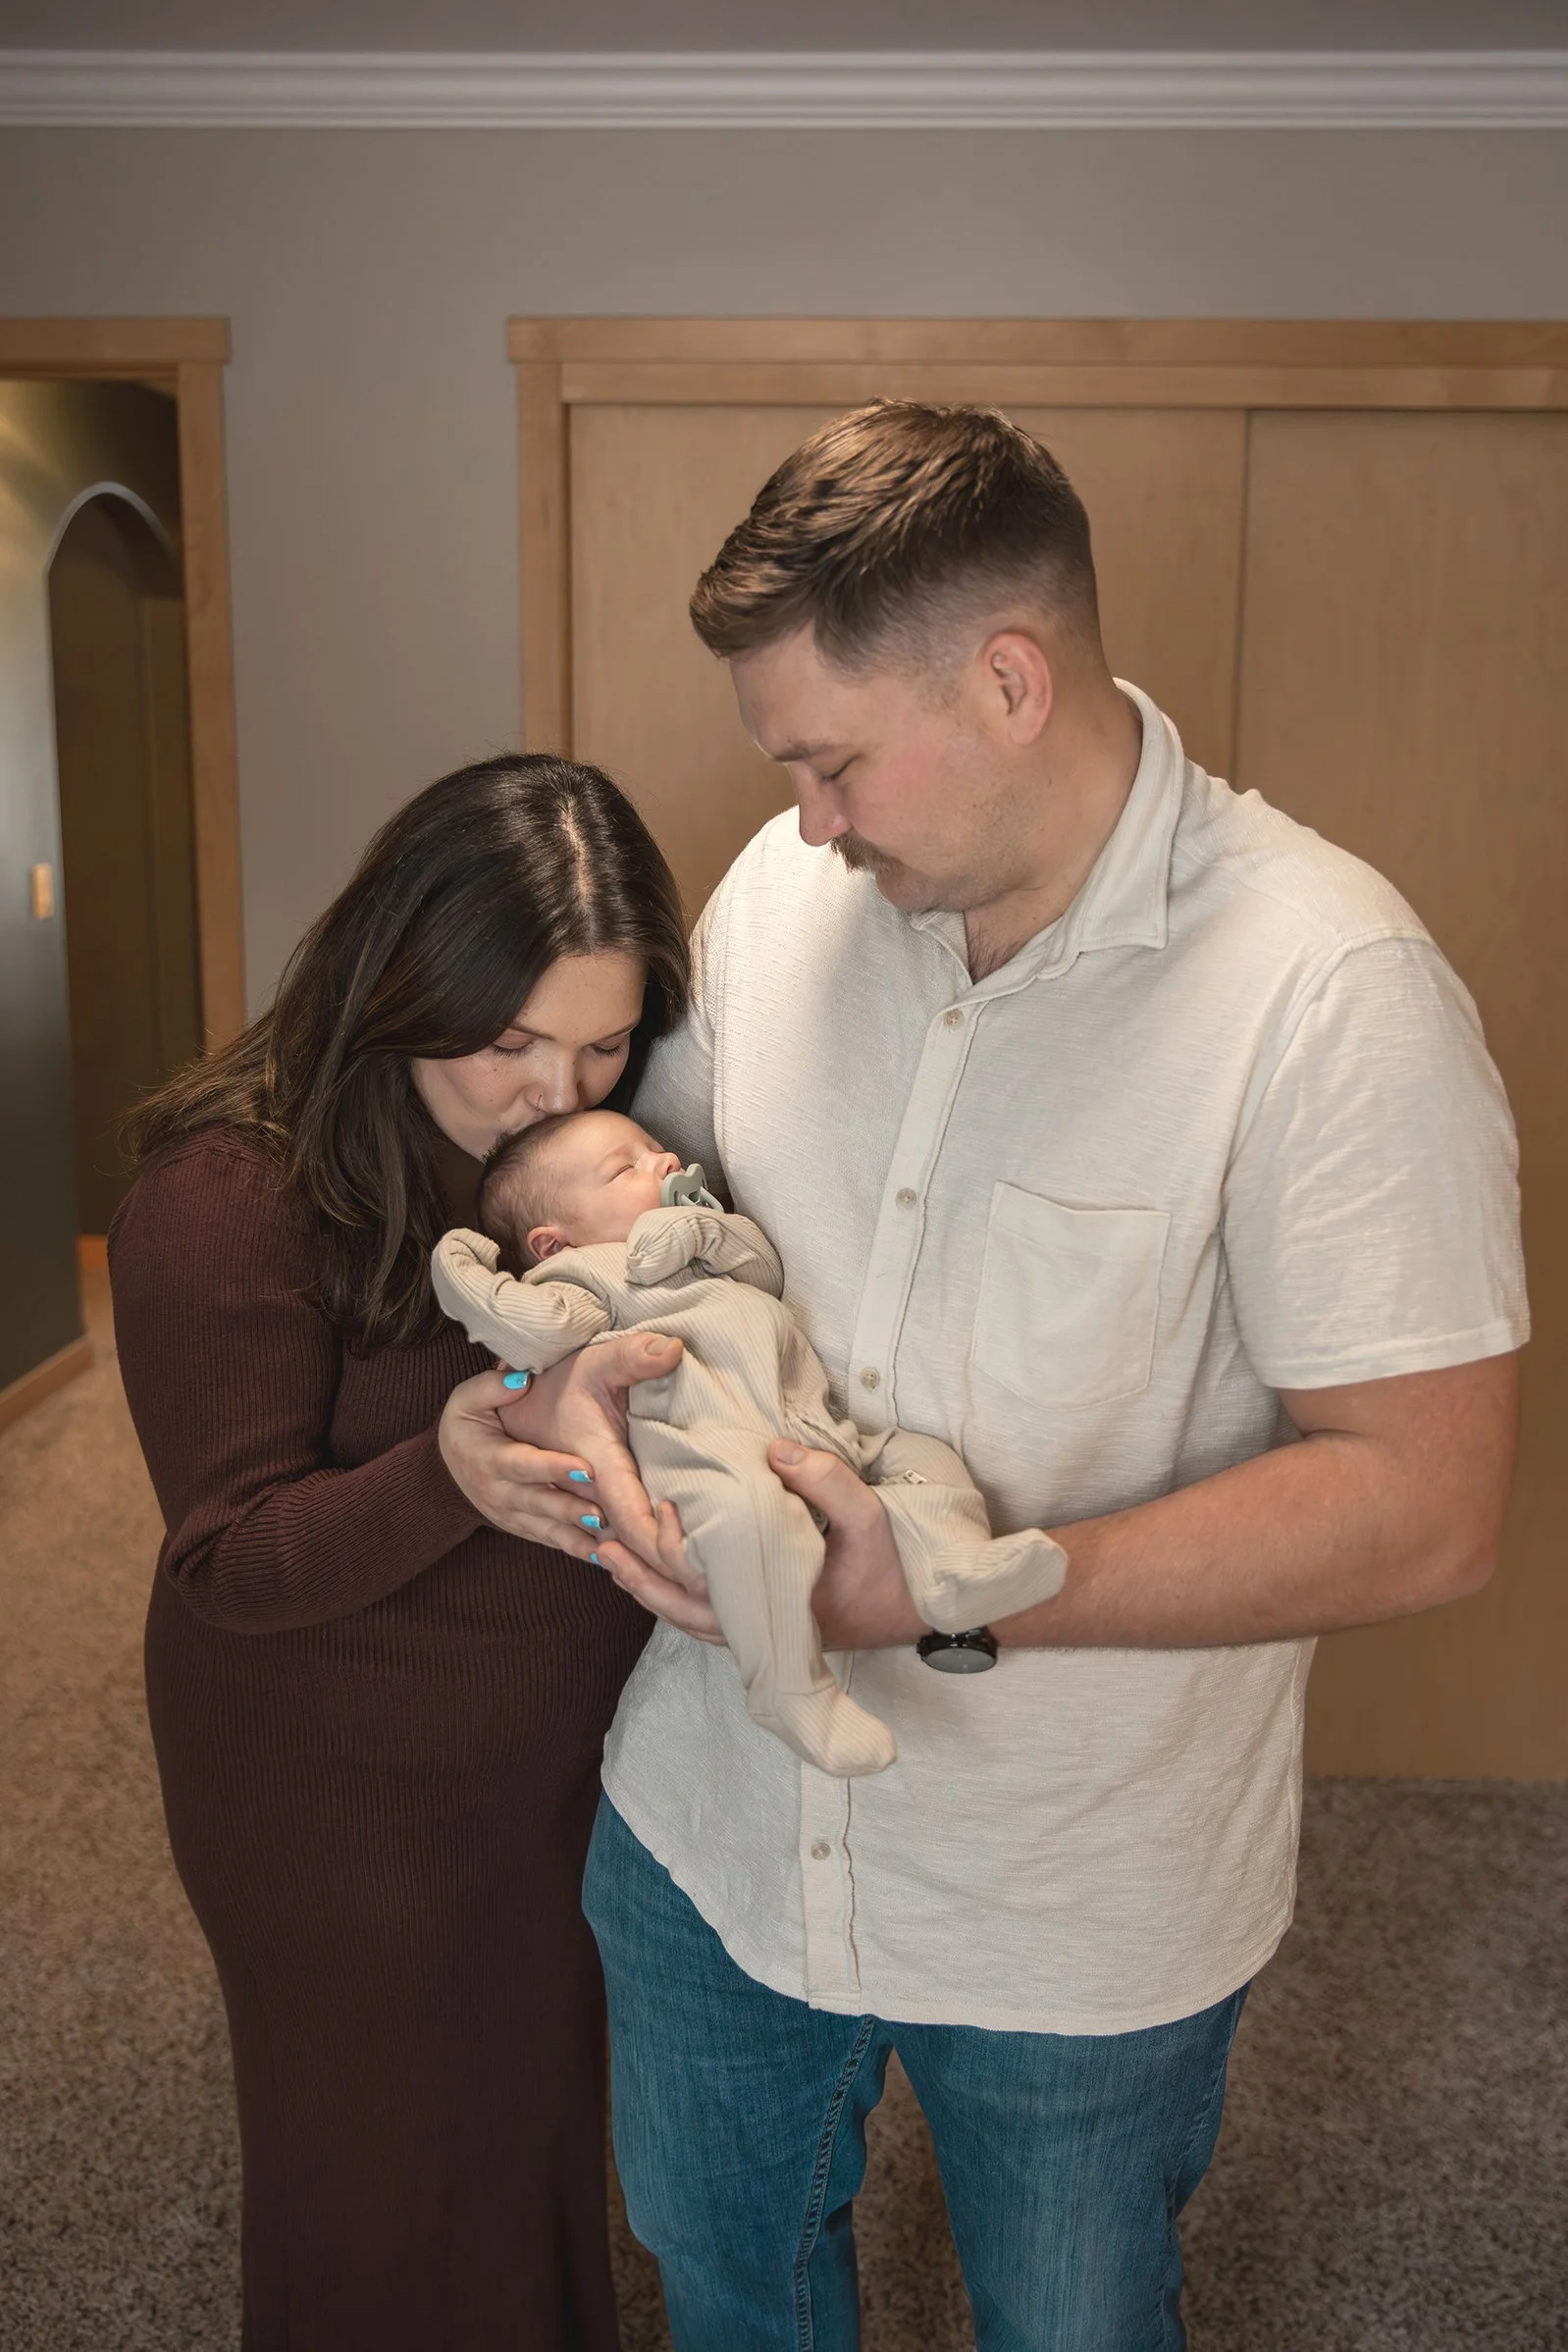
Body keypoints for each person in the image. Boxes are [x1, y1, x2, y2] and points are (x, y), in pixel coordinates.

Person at [527, 404, 1527, 2349]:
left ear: (1006, 680)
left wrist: (951, 1590)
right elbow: (648, 1215)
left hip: (1078, 1907)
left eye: (828, 757)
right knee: (727, 2287)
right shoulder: (784, 893)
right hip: (708, 1833)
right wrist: (571, 1384)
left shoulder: (1330, 996)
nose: (804, 813)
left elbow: (1427, 1498)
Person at [109, 755, 692, 2352]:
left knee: (522, 2149)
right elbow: (230, 1554)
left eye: (598, 1039)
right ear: (399, 977)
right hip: (333, 1801)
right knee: (375, 2184)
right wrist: (448, 1462)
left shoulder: (577, 1172)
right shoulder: (229, 1192)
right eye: (505, 1038)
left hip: (543, 1778)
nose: (553, 1091)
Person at [430, 1107, 1065, 1775]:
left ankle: (953, 1567)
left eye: (655, 1147)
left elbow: (763, 1269)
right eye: (626, 1168)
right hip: (708, 1453)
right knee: (754, 1521)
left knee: (923, 1459)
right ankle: (788, 1687)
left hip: (820, 1430)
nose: (664, 1162)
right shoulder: (589, 1278)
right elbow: (527, 1329)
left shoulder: (708, 1244)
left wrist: (698, 1228)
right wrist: (462, 1266)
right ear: (554, 1244)